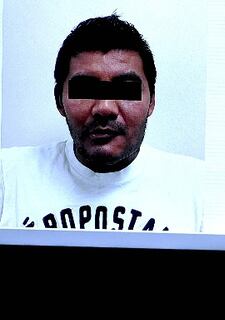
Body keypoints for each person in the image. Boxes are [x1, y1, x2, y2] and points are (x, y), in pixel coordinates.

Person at [0, 14, 203, 232]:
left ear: (151, 101)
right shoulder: (9, 176)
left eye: (125, 89)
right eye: (85, 89)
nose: (104, 107)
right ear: (60, 100)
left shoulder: (201, 187)